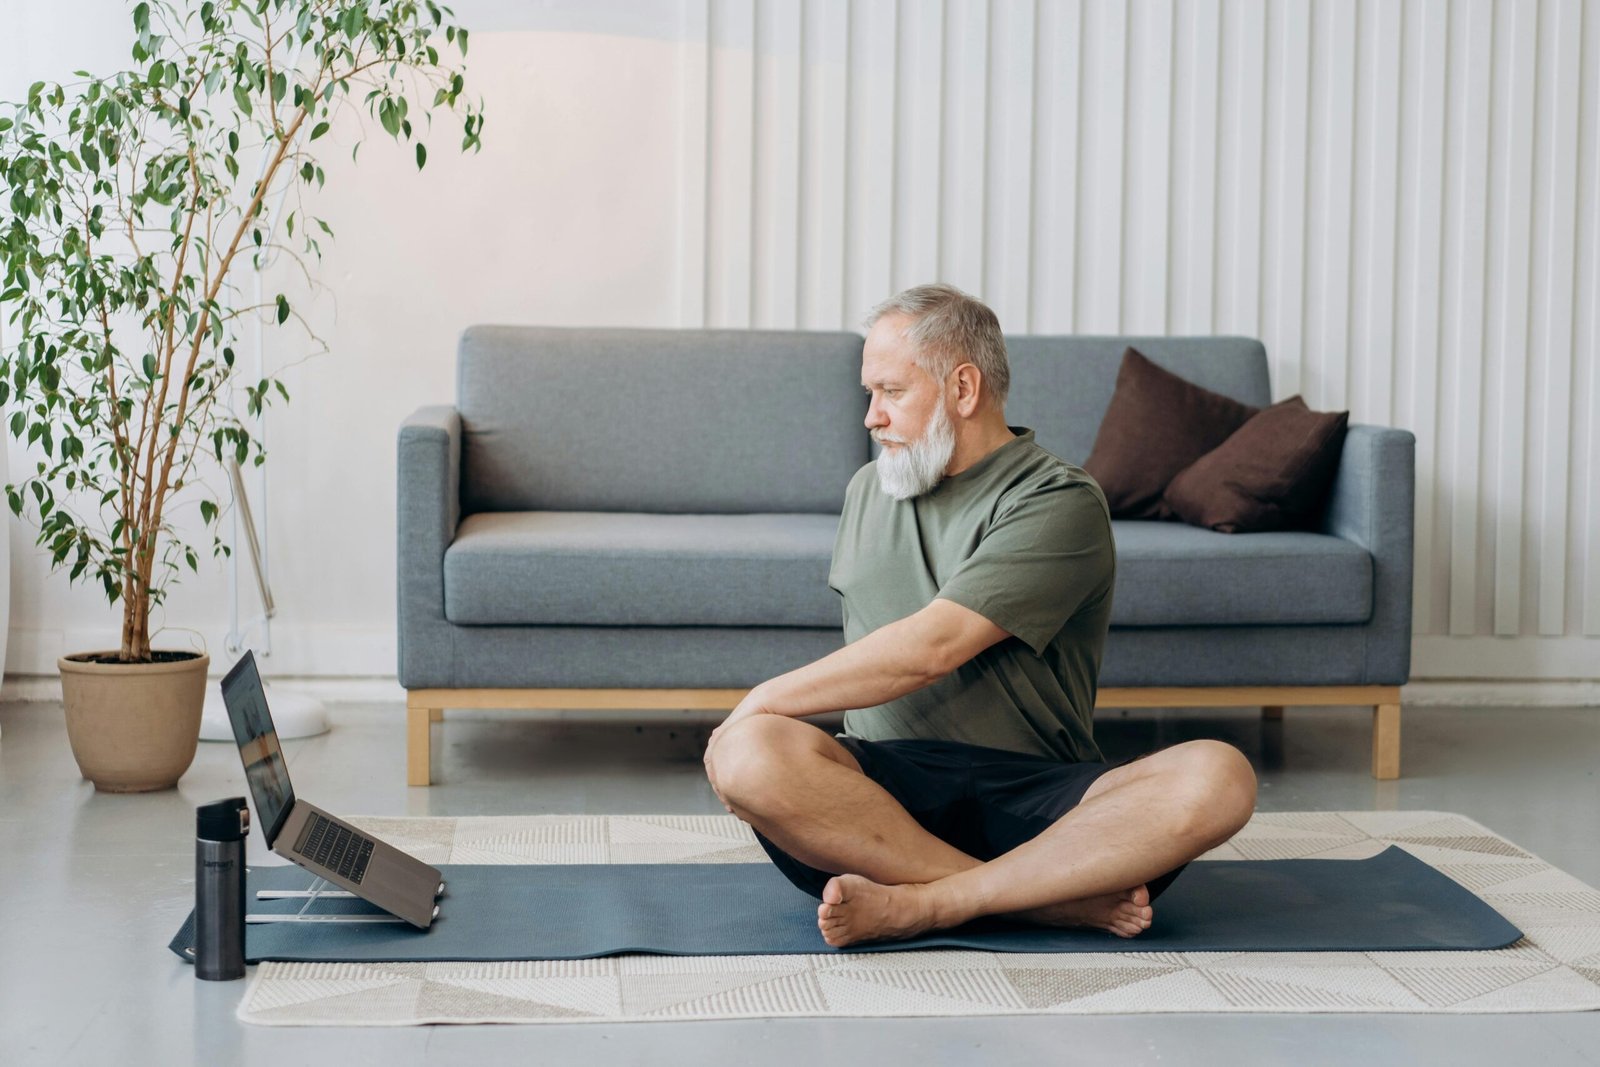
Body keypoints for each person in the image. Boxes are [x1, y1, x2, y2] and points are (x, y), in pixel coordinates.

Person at [701, 283, 1257, 948]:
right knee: (750, 755)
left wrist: (756, 699)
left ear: (963, 390)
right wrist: (752, 732)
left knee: (1220, 775)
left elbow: (931, 646)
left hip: (1041, 803)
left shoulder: (1059, 499)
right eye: (867, 394)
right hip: (882, 806)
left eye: (891, 391)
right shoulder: (867, 490)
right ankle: (1040, 901)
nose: (870, 418)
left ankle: (934, 903)